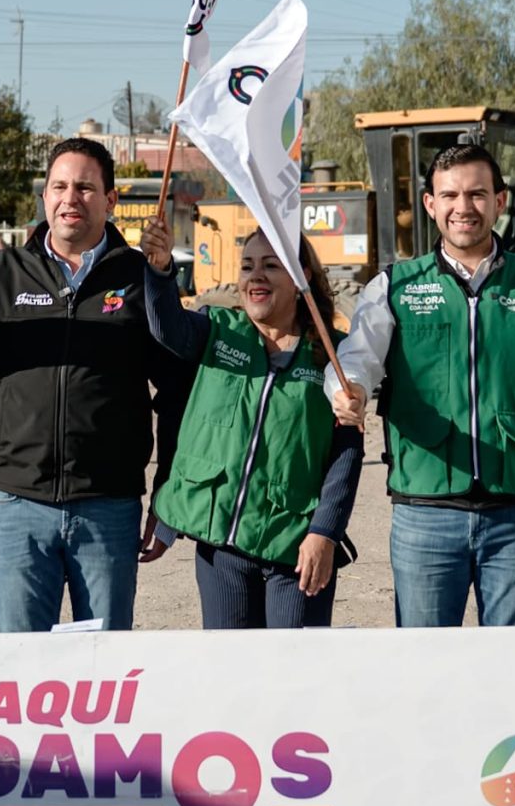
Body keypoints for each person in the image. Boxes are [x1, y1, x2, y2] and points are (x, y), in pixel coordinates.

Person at [0, 137, 174, 633]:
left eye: (86, 188)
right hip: (18, 505)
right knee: (23, 666)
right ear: (45, 196)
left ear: (111, 200)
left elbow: (177, 390)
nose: (71, 198)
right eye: (59, 186)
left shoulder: (140, 277)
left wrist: (167, 494)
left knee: (104, 666)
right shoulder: (3, 272)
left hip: (108, 507)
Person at [330, 143, 515, 628]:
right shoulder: (395, 287)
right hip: (424, 518)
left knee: (514, 668)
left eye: (477, 194)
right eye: (449, 195)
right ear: (430, 204)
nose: (463, 207)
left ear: (499, 200)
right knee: (429, 673)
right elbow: (356, 359)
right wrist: (345, 389)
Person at [138, 217, 360, 629]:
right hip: (222, 552)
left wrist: (325, 532)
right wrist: (159, 270)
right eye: (247, 265)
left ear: (300, 277)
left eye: (271, 265)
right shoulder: (219, 333)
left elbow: (346, 452)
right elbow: (167, 327)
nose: (255, 275)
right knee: (232, 681)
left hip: (296, 546)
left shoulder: (334, 354)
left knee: (292, 681)